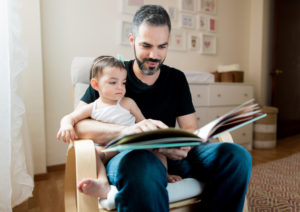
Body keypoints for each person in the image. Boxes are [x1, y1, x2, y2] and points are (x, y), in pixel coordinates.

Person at [75, 5, 252, 212]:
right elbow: (79, 125)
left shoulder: (176, 79)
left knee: (236, 156)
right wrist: (127, 131)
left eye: (162, 46)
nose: (154, 55)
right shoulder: (113, 76)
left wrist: (185, 143)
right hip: (128, 156)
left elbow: (189, 130)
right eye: (146, 45)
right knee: (141, 164)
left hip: (173, 157)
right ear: (132, 40)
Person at [57, 56, 181, 198]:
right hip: (107, 149)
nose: (120, 87)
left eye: (123, 83)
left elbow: (143, 122)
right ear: (95, 84)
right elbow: (71, 117)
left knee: (157, 151)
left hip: (130, 146)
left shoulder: (128, 103)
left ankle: (165, 174)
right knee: (94, 153)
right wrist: (66, 124)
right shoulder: (93, 107)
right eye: (113, 82)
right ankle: (102, 183)